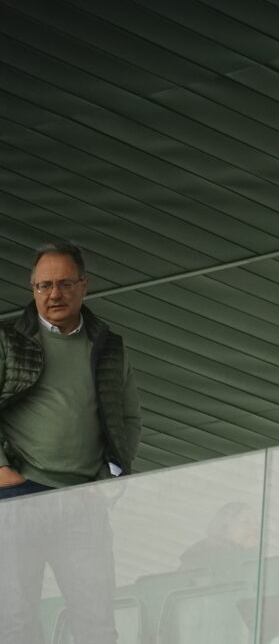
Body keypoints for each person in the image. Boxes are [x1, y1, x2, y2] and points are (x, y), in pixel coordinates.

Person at [0, 241, 142, 644]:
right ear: (32, 289)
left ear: (84, 286)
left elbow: (128, 417)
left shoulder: (109, 346)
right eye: (43, 286)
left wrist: (111, 472)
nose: (54, 294)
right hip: (18, 497)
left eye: (64, 284)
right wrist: (1, 469)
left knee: (97, 621)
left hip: (83, 500)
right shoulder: (8, 339)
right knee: (14, 621)